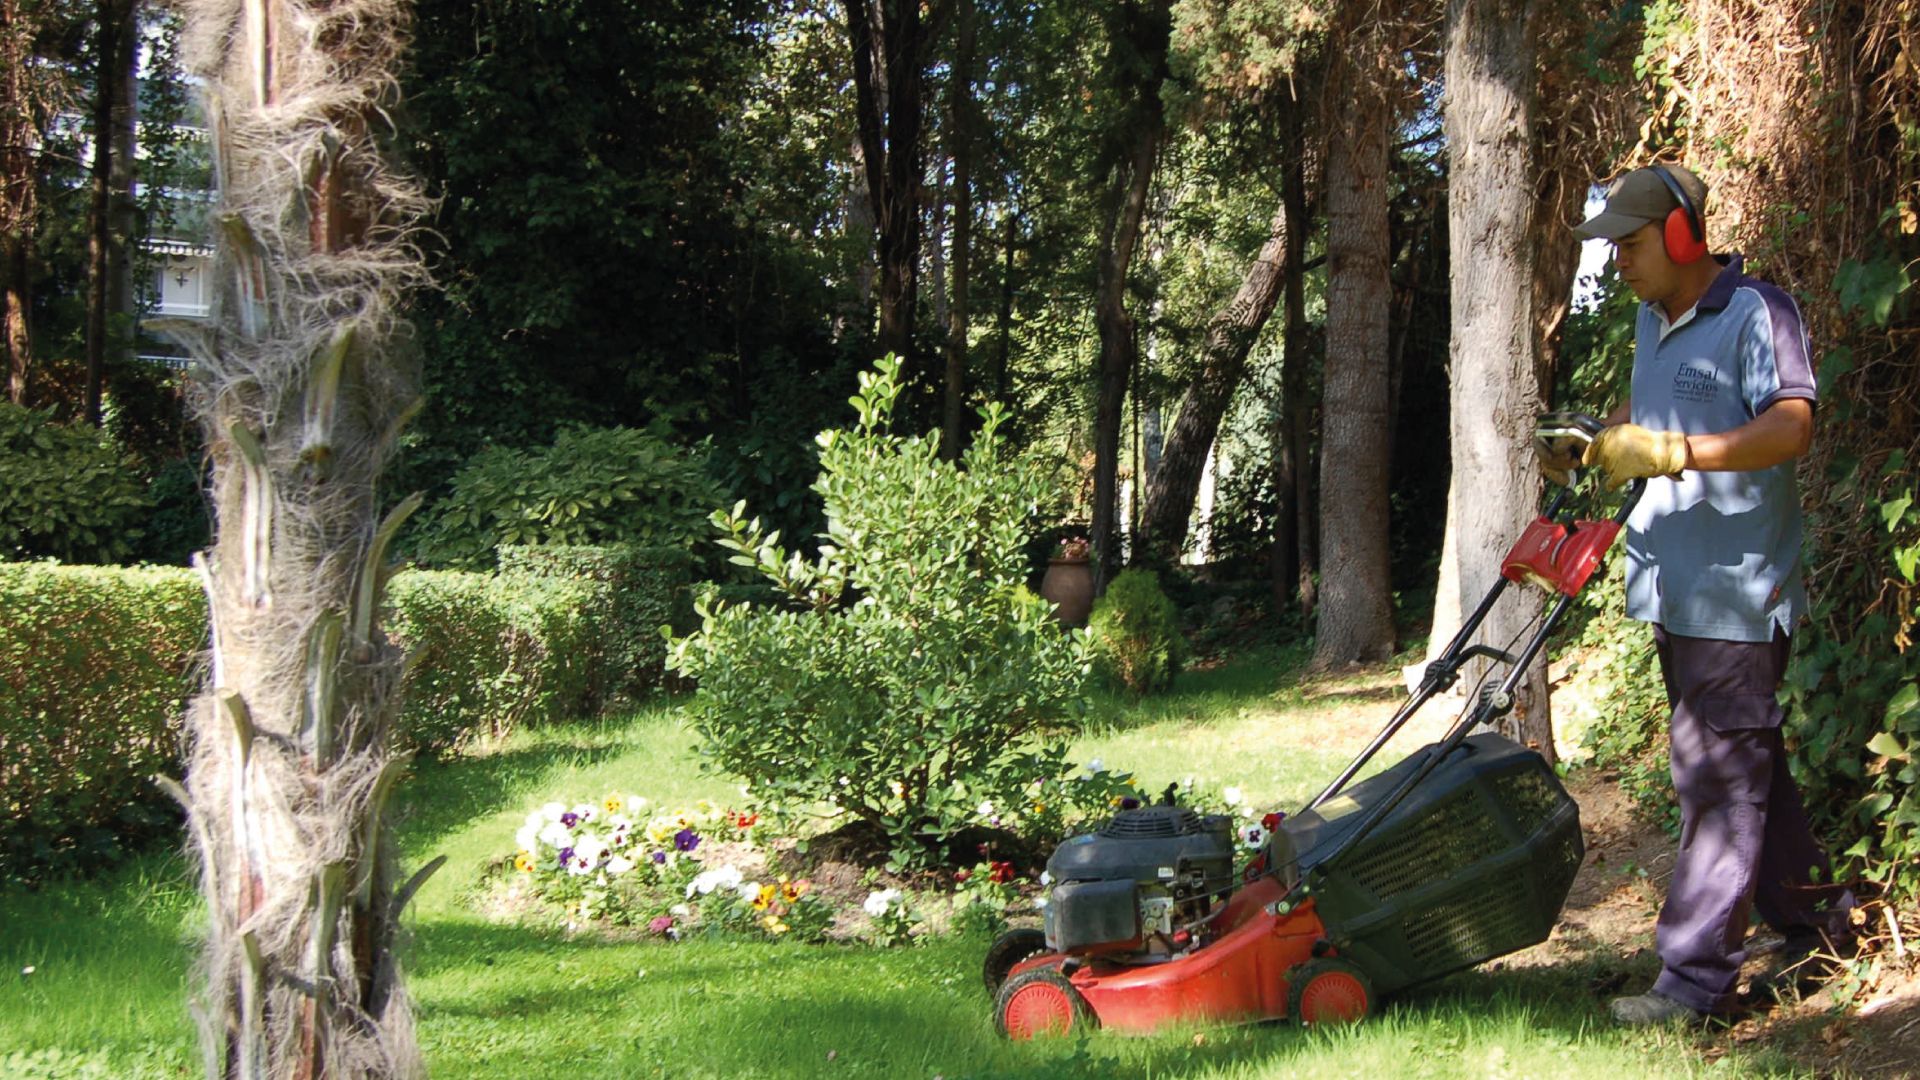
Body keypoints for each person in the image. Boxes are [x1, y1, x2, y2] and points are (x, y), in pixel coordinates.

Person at [1569, 164, 1854, 1024]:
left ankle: (1693, 987)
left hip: (1737, 596)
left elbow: (1792, 425)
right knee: (1745, 768)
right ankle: (1825, 924)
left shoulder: (1756, 313)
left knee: (1716, 784)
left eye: (1629, 241)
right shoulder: (1649, 325)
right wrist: (1593, 445)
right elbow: (1642, 420)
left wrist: (1680, 453)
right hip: (1671, 588)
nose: (1617, 260)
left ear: (1683, 234)